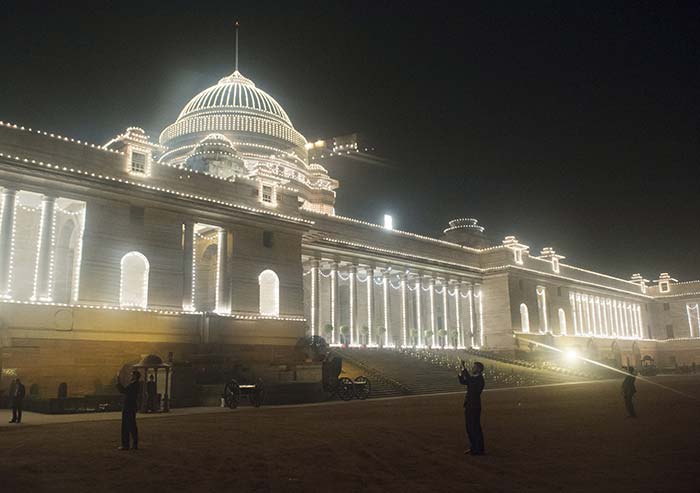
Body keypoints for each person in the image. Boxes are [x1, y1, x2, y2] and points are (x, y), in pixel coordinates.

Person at [458, 360, 485, 455]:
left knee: (475, 427)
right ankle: (474, 447)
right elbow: (463, 381)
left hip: (474, 406)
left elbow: (469, 381)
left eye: (474, 367)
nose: (472, 368)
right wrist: (461, 372)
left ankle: (479, 448)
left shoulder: (479, 379)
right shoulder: (474, 379)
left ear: (479, 369)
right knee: (469, 427)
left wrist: (464, 368)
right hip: (469, 405)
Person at [116, 369, 141, 450]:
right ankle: (134, 443)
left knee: (126, 426)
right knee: (132, 425)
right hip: (131, 407)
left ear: (135, 376)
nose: (131, 376)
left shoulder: (133, 385)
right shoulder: (136, 385)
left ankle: (126, 444)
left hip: (128, 407)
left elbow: (123, 390)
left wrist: (118, 381)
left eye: (132, 375)